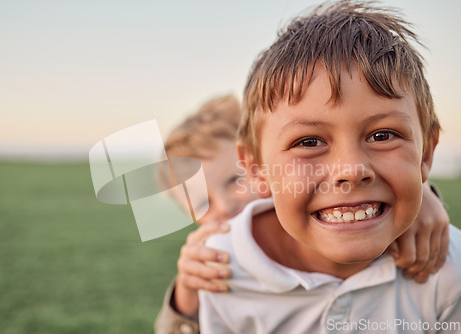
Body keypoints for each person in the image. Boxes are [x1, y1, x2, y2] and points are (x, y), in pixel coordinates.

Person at [198, 2, 461, 333]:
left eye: (382, 135)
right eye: (308, 142)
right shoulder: (220, 267)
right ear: (255, 167)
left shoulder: (450, 272)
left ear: (427, 153)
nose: (351, 170)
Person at [155, 92, 450, 333]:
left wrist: (424, 195)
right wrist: (187, 292)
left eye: (234, 180)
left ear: (259, 165)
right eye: (201, 204)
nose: (225, 207)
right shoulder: (212, 263)